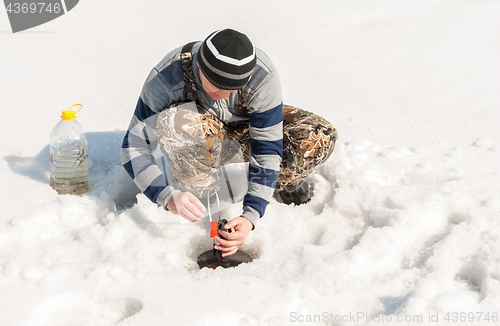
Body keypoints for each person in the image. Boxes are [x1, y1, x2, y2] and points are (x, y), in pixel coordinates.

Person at [121, 28, 337, 257]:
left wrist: (251, 215)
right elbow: (133, 148)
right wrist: (166, 196)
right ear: (200, 68)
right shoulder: (166, 77)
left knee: (318, 136)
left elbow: (267, 148)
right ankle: (201, 194)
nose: (226, 95)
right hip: (199, 135)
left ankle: (276, 185)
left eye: (234, 88)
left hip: (247, 130)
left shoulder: (262, 75)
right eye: (218, 87)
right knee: (177, 122)